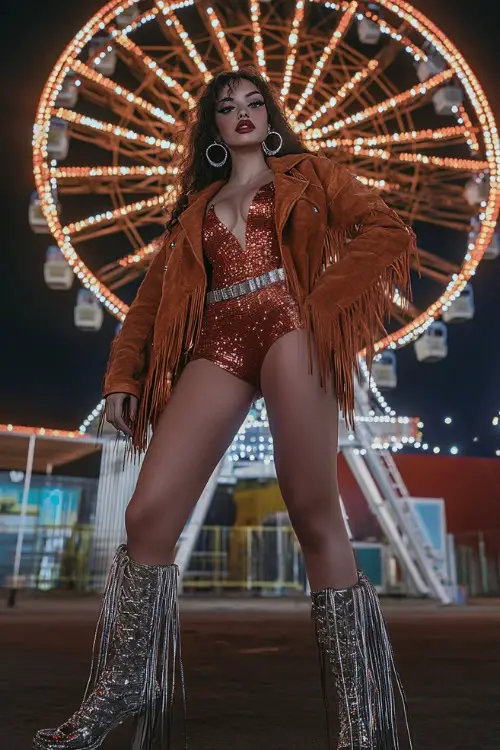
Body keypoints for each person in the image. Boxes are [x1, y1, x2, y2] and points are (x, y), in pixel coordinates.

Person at [34, 68, 416, 750]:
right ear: (213, 128)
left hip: (292, 325)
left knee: (312, 508)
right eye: (226, 107)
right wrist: (123, 377)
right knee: (147, 513)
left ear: (272, 115)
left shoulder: (312, 173)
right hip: (219, 338)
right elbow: (149, 307)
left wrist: (324, 306)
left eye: (254, 103)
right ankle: (125, 684)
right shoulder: (193, 211)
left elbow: (384, 231)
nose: (242, 114)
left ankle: (361, 716)